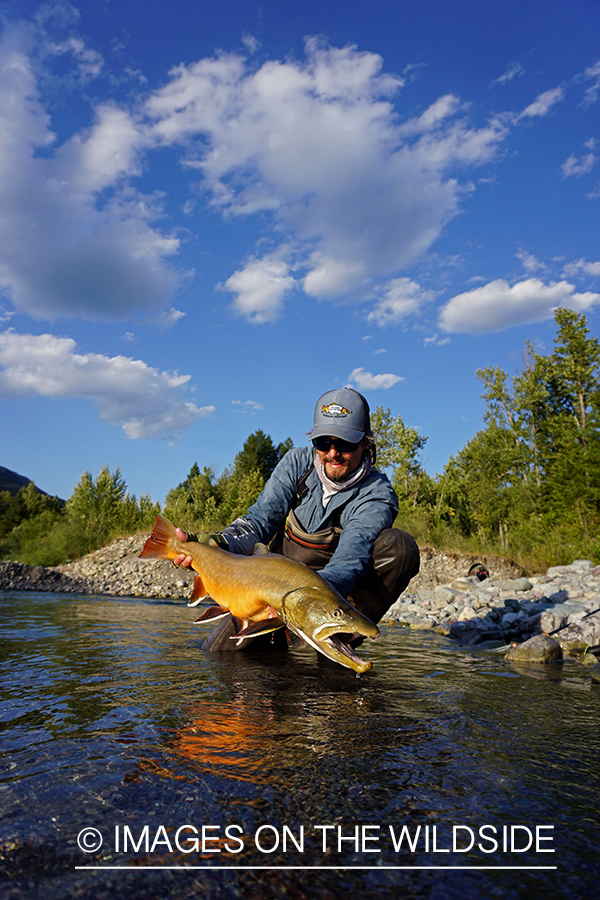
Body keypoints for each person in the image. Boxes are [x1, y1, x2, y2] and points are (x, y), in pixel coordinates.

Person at [173, 387, 420, 650]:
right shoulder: (296, 464)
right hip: (268, 586)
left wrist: (304, 603)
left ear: (365, 443)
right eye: (324, 442)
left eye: (345, 444)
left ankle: (332, 645)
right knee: (220, 656)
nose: (333, 453)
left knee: (399, 546)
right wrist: (219, 544)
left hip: (330, 595)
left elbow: (351, 559)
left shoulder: (377, 494)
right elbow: (258, 523)